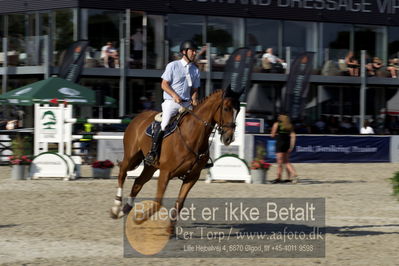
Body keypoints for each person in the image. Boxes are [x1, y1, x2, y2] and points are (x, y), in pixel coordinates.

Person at [144, 40, 200, 166]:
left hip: (186, 104)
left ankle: (200, 155)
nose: (194, 53)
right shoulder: (173, 66)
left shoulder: (195, 70)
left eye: (195, 51)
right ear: (184, 52)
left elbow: (195, 89)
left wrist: (195, 98)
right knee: (164, 124)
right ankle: (152, 153)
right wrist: (174, 95)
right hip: (171, 102)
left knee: (200, 125)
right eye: (192, 51)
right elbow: (164, 84)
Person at [271, 114, 298, 183]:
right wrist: (291, 146)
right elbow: (293, 135)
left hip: (280, 143)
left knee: (280, 162)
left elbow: (272, 135)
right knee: (286, 161)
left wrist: (275, 133)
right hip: (287, 143)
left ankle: (279, 177)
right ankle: (289, 178)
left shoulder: (277, 124)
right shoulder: (289, 125)